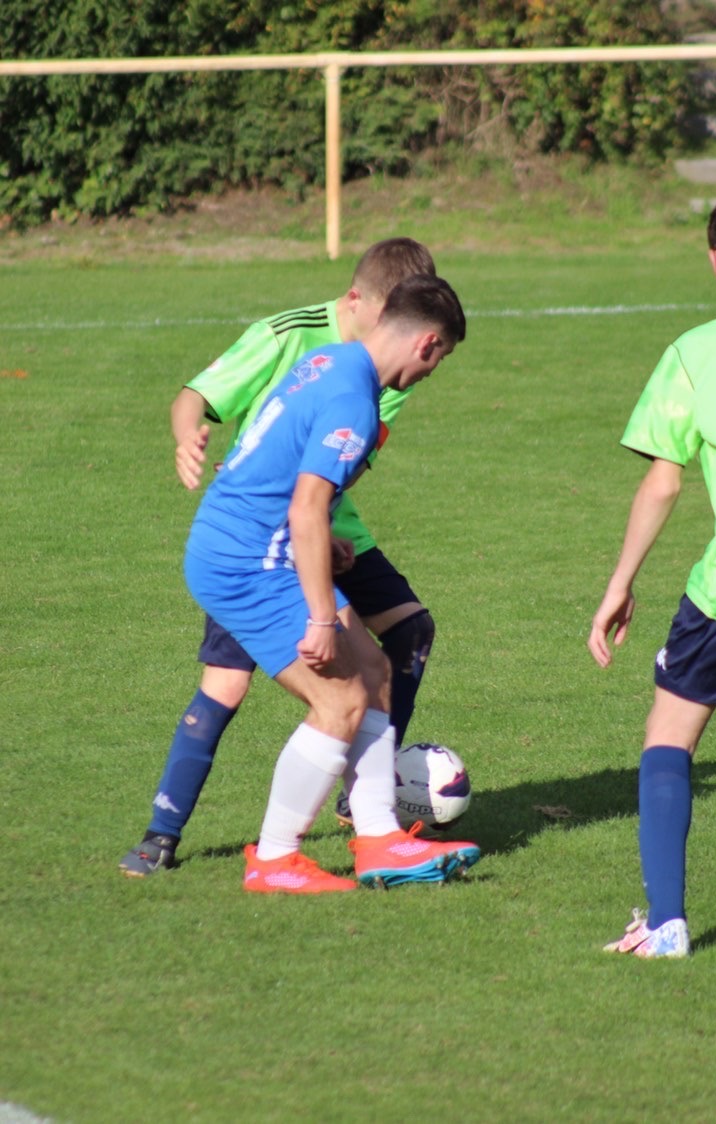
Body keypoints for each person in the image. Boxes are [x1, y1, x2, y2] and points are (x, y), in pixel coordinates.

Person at [120, 239, 440, 877]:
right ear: (368, 305)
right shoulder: (301, 342)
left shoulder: (366, 369)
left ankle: (375, 828)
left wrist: (324, 539)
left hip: (310, 530)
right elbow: (202, 401)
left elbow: (332, 477)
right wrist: (190, 438)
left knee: (388, 655)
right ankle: (188, 838)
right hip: (260, 544)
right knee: (266, 688)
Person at [183, 273, 479, 892]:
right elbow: (307, 506)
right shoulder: (355, 402)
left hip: (249, 540)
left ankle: (379, 840)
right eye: (441, 358)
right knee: (339, 701)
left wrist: (326, 544)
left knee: (373, 673)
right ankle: (274, 859)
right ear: (426, 343)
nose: (432, 371)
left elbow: (283, 472)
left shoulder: (331, 360)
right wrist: (321, 617)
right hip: (246, 560)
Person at [588, 188, 716, 958]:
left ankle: (668, 923)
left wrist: (620, 583)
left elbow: (662, 482)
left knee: (669, 739)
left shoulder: (694, 353)